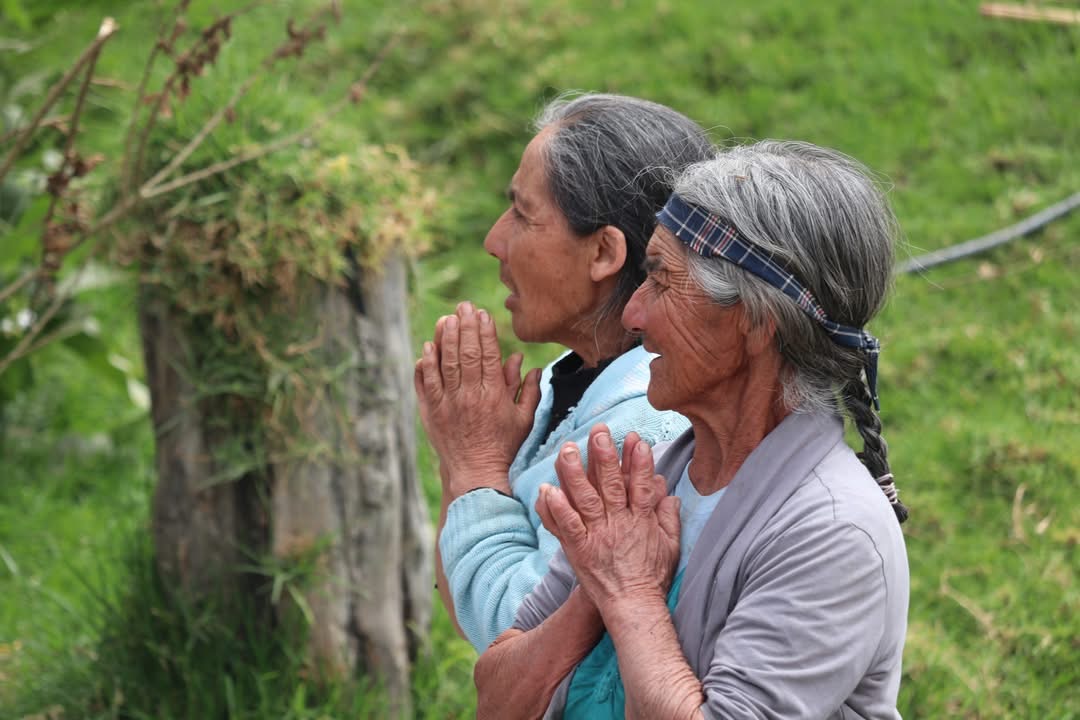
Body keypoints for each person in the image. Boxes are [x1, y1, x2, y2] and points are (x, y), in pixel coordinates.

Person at [474, 140, 911, 719]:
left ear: (755, 321)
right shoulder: (645, 481)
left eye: (661, 281)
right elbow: (497, 702)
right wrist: (596, 593)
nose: (632, 314)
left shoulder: (831, 532)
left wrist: (630, 595)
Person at [414, 94, 715, 652]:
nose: (494, 242)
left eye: (523, 215)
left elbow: (515, 636)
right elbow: (468, 605)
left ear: (603, 252)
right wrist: (468, 465)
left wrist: (473, 465)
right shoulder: (576, 376)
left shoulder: (642, 431)